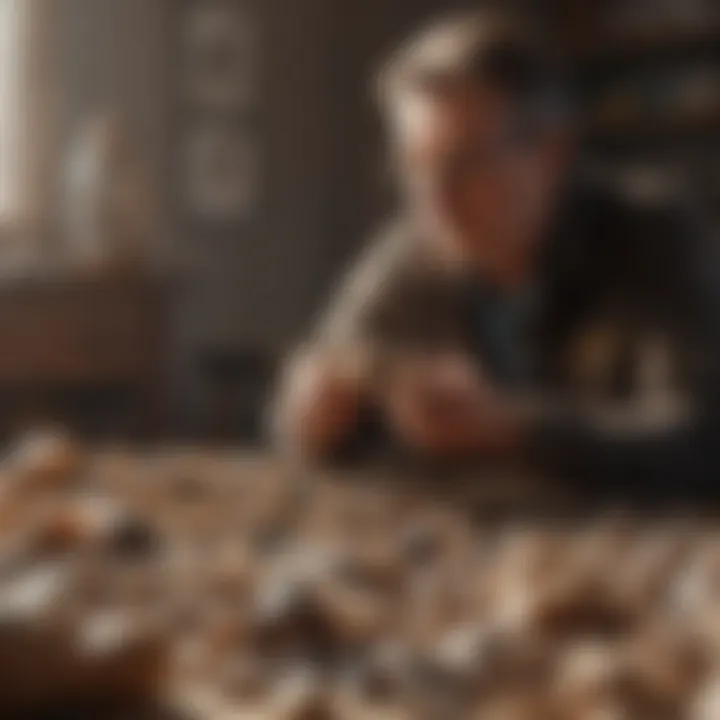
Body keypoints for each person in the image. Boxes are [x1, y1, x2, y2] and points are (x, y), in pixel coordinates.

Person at [272, 10, 720, 492]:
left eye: (465, 162)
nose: (436, 197)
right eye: (414, 170)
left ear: (552, 154)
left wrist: (519, 430)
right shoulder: (409, 253)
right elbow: (312, 400)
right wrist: (312, 420)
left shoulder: (652, 239)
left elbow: (702, 442)